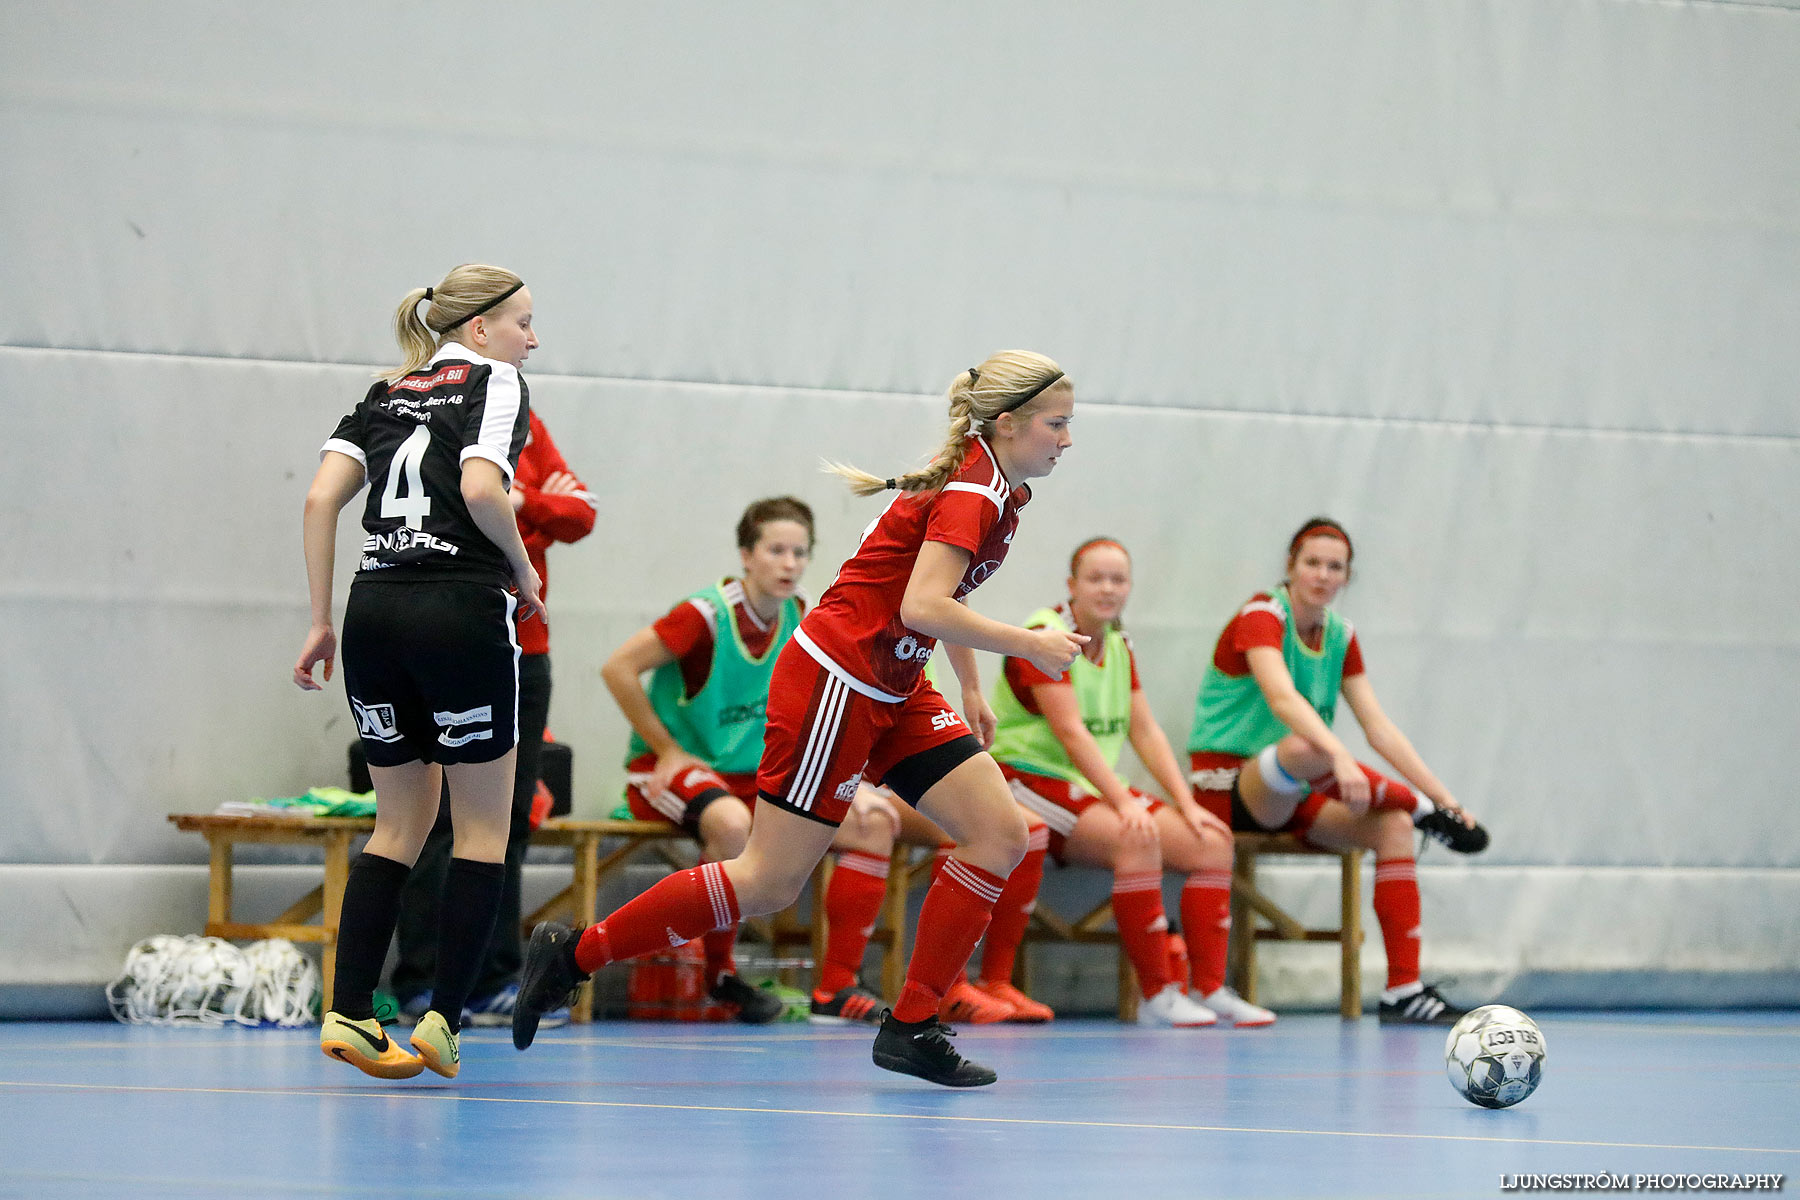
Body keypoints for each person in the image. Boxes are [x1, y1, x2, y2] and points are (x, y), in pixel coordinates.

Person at [513, 350, 1086, 1087]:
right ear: (1007, 424)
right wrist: (1027, 644)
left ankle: (911, 1024)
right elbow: (922, 605)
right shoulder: (974, 490)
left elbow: (945, 592)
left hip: (896, 682)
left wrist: (971, 686)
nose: (1067, 440)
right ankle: (572, 955)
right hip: (837, 682)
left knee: (1001, 833)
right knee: (768, 881)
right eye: (1057, 424)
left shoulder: (995, 486)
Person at [294, 264, 544, 1079]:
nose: (531, 341)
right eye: (523, 323)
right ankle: (442, 1018)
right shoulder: (496, 381)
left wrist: (321, 621)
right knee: (482, 830)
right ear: (480, 330)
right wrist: (522, 569)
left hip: (373, 613)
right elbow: (481, 488)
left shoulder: (383, 391)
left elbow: (318, 501)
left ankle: (351, 1011)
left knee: (396, 826)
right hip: (460, 608)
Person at [601, 495, 904, 1025]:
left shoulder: (806, 615)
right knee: (732, 825)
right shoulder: (704, 615)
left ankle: (835, 989)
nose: (790, 563)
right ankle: (720, 973)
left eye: (801, 552)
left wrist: (848, 778)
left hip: (758, 776)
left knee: (875, 822)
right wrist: (666, 748)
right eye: (776, 550)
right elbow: (618, 669)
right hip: (676, 772)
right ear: (746, 556)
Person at [1186, 516, 1489, 1025]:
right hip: (1228, 782)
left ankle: (1404, 991)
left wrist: (1449, 798)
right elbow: (1282, 698)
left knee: (1391, 827)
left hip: (1298, 783)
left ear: (1348, 576)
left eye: (1335, 567)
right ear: (1291, 566)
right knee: (1308, 747)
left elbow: (1380, 729)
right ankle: (1418, 808)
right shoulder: (1261, 615)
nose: (1323, 576)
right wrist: (1341, 758)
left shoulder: (1341, 636)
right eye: (1312, 563)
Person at [981, 537, 1276, 1027]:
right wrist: (1123, 802)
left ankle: (1210, 987)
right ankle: (1156, 995)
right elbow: (1071, 733)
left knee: (1212, 842)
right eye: (1095, 578)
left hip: (1089, 788)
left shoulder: (1118, 644)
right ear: (1072, 585)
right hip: (1027, 780)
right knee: (1134, 838)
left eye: (1118, 579)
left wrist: (1186, 802)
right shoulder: (1044, 636)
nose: (1107, 588)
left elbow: (1145, 729)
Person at [389, 410, 594, 1028]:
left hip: (526, 651)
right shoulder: (433, 417)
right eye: (519, 323)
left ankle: (492, 978)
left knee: (510, 819)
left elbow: (581, 513)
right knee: (442, 819)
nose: (532, 339)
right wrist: (528, 508)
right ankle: (422, 979)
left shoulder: (524, 419)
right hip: (450, 641)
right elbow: (462, 510)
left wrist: (520, 497)